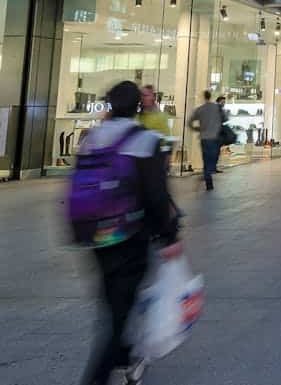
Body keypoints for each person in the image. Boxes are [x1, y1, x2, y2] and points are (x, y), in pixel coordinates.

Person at [77, 81, 180, 385]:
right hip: (130, 234)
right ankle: (98, 376)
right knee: (121, 311)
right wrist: (169, 236)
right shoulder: (144, 141)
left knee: (113, 301)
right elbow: (157, 196)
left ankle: (123, 356)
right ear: (138, 106)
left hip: (96, 235)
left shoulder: (91, 138)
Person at [187, 90, 223, 191]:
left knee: (206, 159)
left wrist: (197, 129)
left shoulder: (199, 109)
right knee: (213, 158)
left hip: (204, 138)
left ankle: (208, 176)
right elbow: (224, 118)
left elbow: (189, 122)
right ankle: (208, 173)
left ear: (203, 97)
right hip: (214, 138)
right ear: (211, 96)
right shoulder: (216, 108)